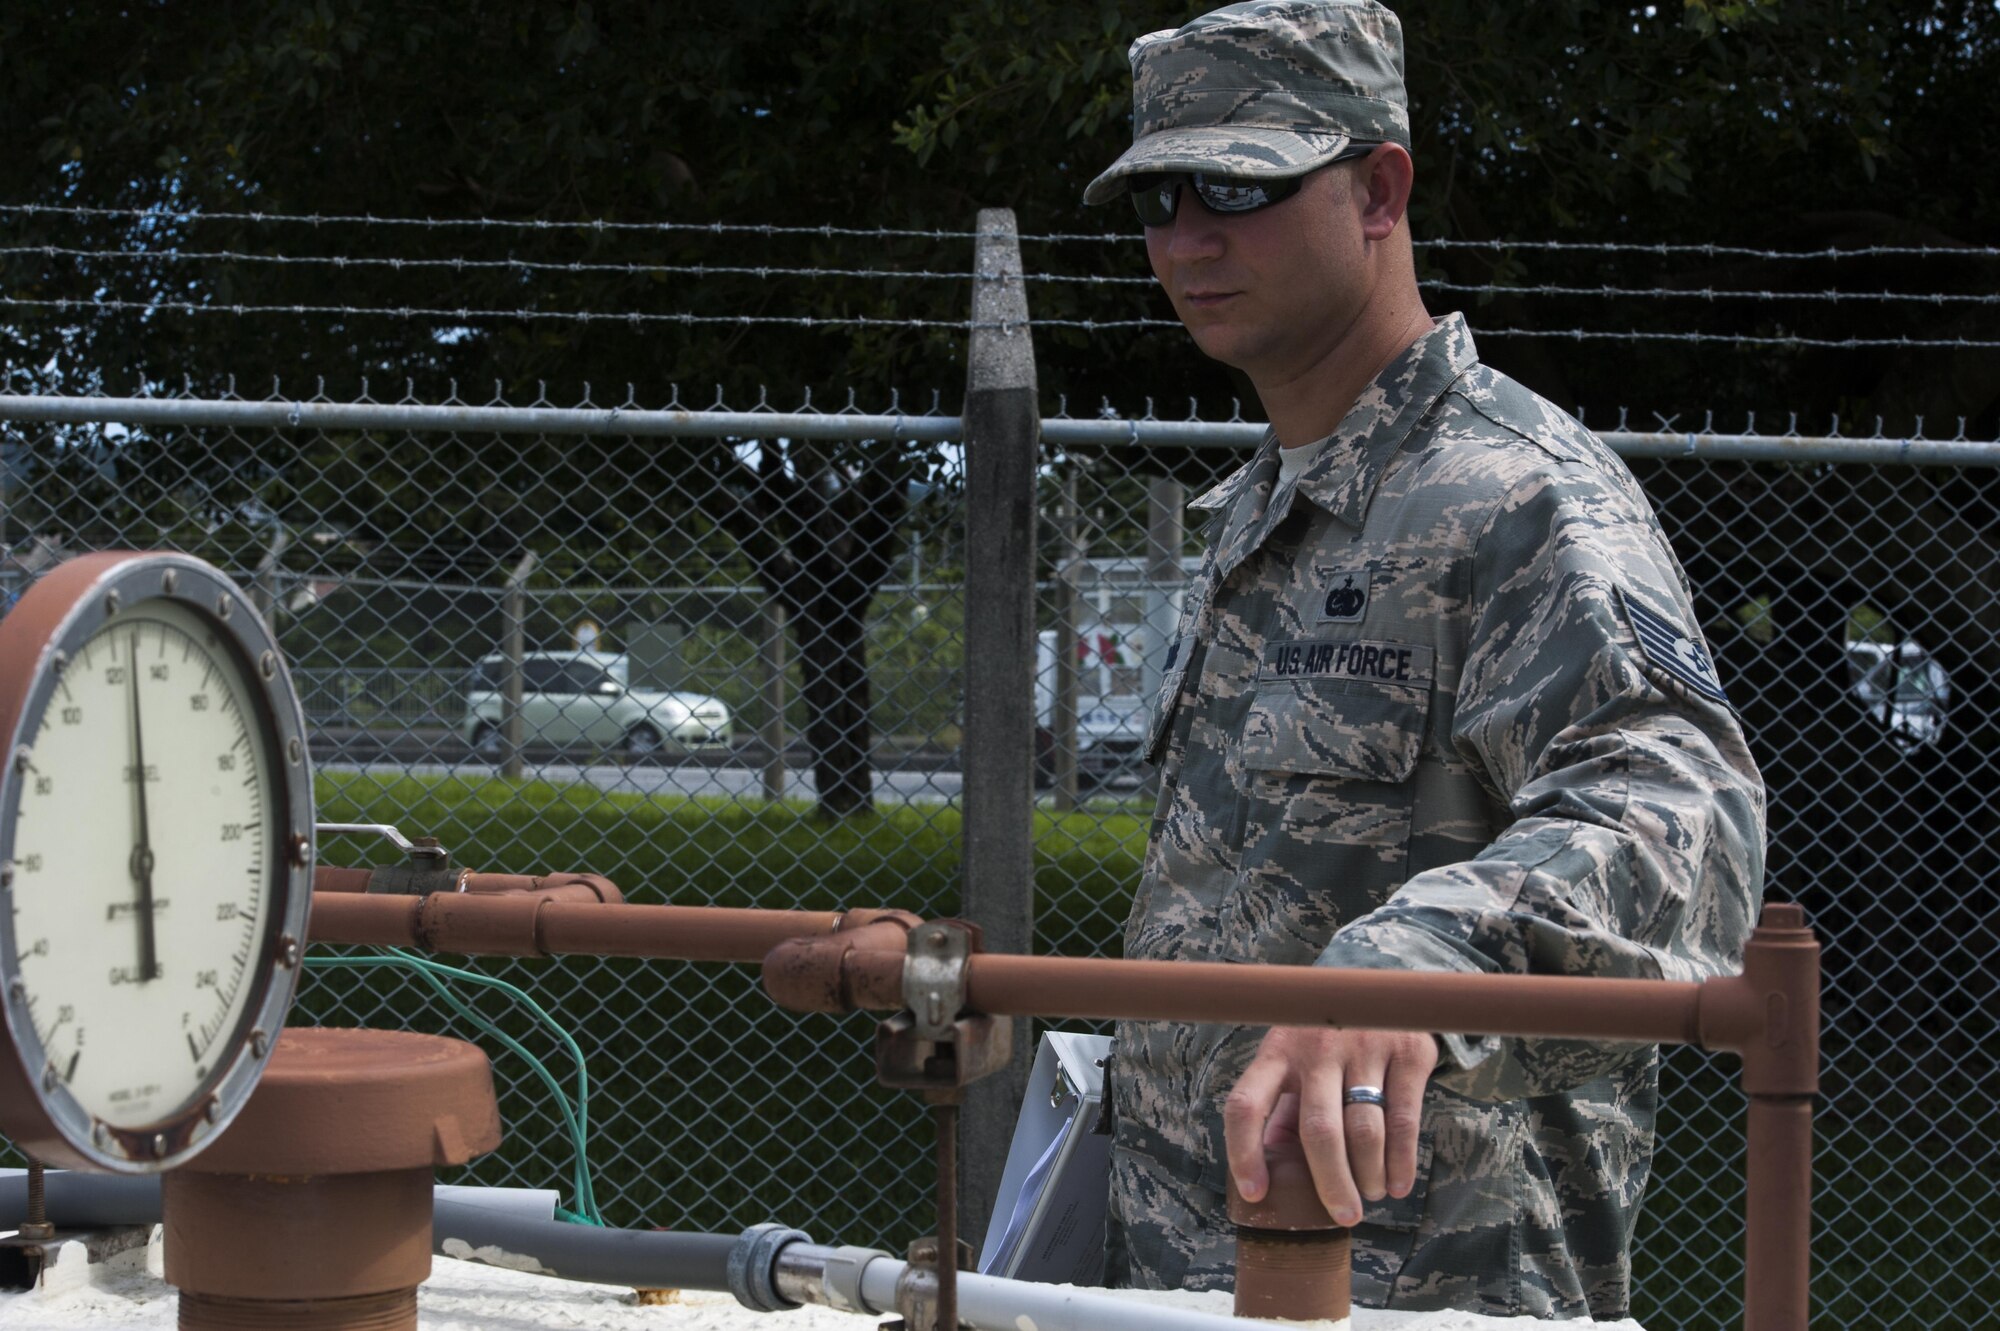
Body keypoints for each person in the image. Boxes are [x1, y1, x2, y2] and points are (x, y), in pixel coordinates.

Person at [1078, 0, 1767, 1319]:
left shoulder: (1518, 495)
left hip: (1429, 1289)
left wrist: (1426, 965)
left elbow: (1687, 820)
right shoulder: (1260, 512)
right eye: (1157, 196)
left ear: (1380, 188)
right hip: (1196, 1277)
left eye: (1239, 181)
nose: (1188, 237)